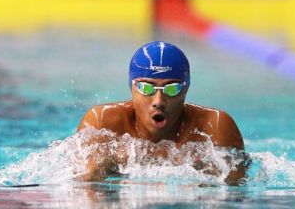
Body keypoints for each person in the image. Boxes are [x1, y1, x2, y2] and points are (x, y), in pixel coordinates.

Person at [77, 41, 247, 184]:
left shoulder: (215, 128)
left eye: (172, 88)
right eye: (146, 88)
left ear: (185, 90)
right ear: (132, 88)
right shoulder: (103, 124)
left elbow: (234, 199)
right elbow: (85, 193)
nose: (158, 101)